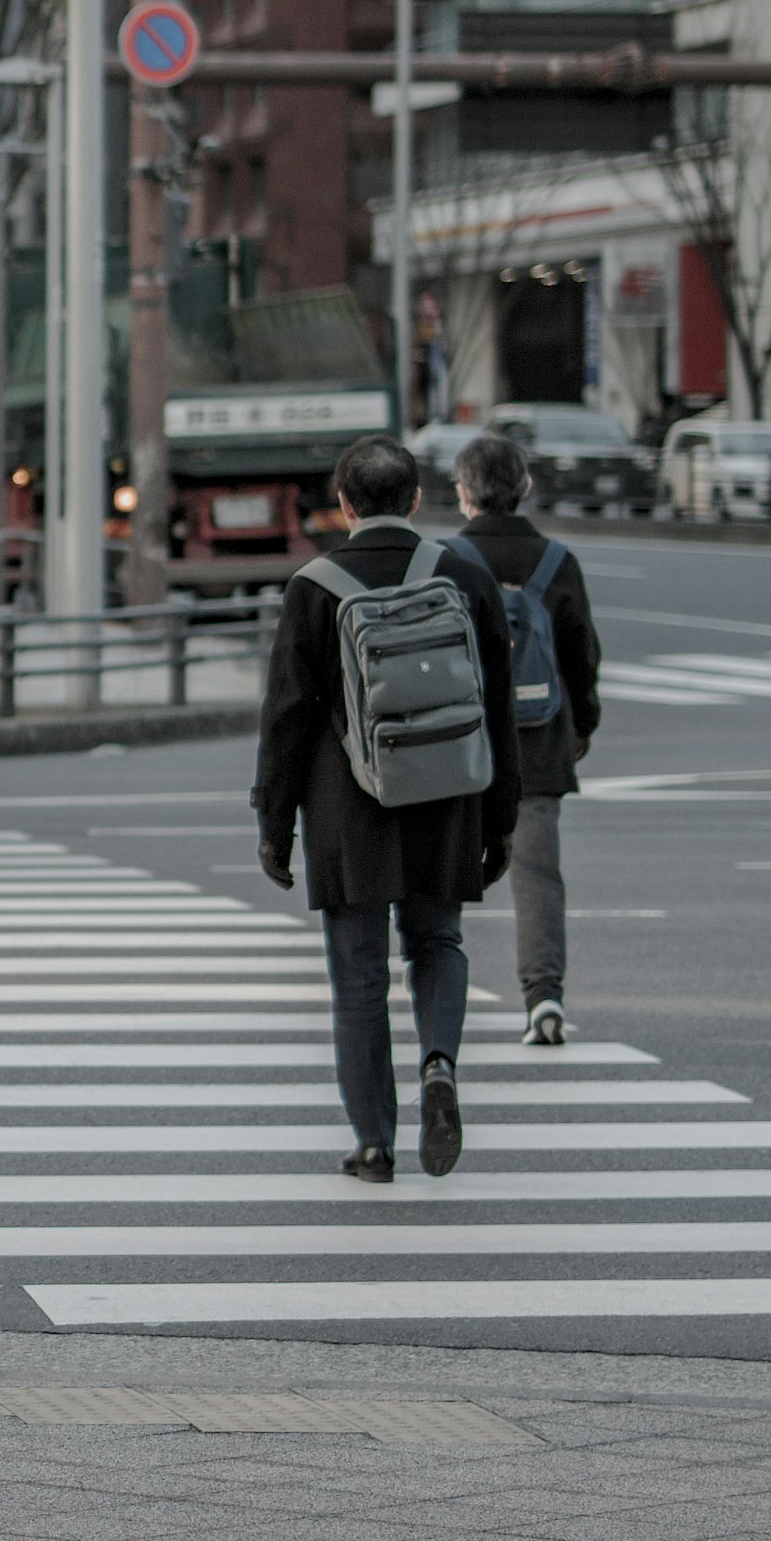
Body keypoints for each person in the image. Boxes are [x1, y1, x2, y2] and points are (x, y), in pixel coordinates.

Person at [254, 434, 521, 1184]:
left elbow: (286, 719)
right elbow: (494, 707)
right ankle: (439, 1061)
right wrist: (499, 818)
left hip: (349, 808)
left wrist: (274, 826)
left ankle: (374, 1143)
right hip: (446, 794)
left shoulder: (314, 585)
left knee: (359, 973)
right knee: (438, 942)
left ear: (343, 506)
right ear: (414, 500)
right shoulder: (463, 574)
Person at [445, 431, 600, 1048]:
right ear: (525, 488)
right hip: (537, 743)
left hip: (461, 747)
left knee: (444, 873)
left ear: (463, 493)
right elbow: (580, 655)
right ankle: (543, 997)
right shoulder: (557, 560)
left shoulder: (447, 560)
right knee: (537, 877)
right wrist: (580, 727)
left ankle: (433, 996)